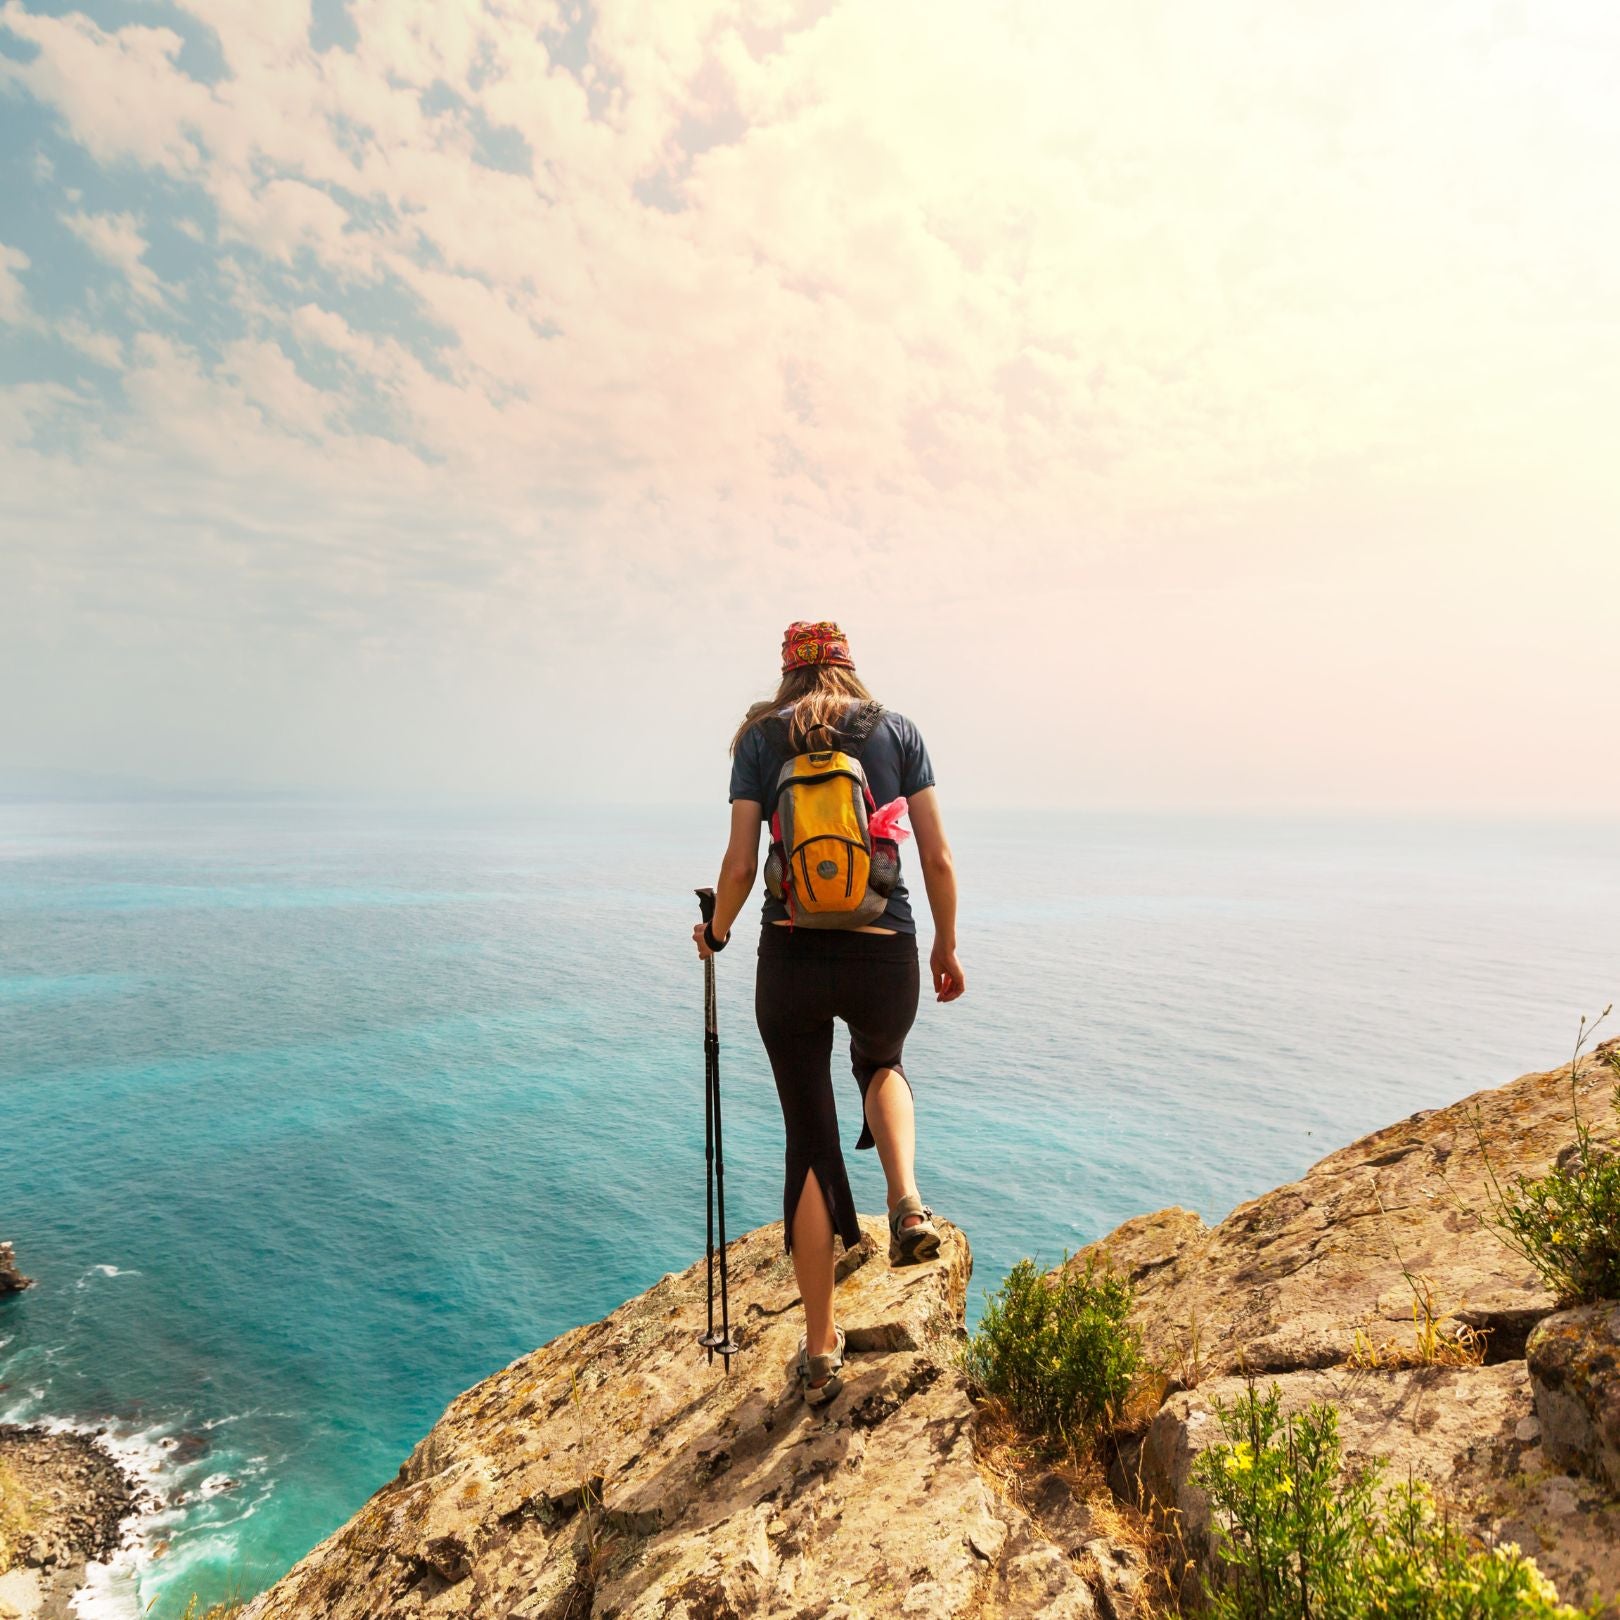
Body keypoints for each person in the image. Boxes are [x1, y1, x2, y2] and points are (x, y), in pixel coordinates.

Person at [692, 619, 964, 1406]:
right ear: (848, 668)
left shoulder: (758, 740)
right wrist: (946, 945)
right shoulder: (898, 731)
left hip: (791, 958)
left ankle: (819, 1350)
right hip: (885, 948)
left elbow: (740, 865)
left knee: (808, 1139)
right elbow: (937, 857)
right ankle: (905, 1202)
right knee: (882, 1062)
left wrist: (717, 933)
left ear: (788, 674)